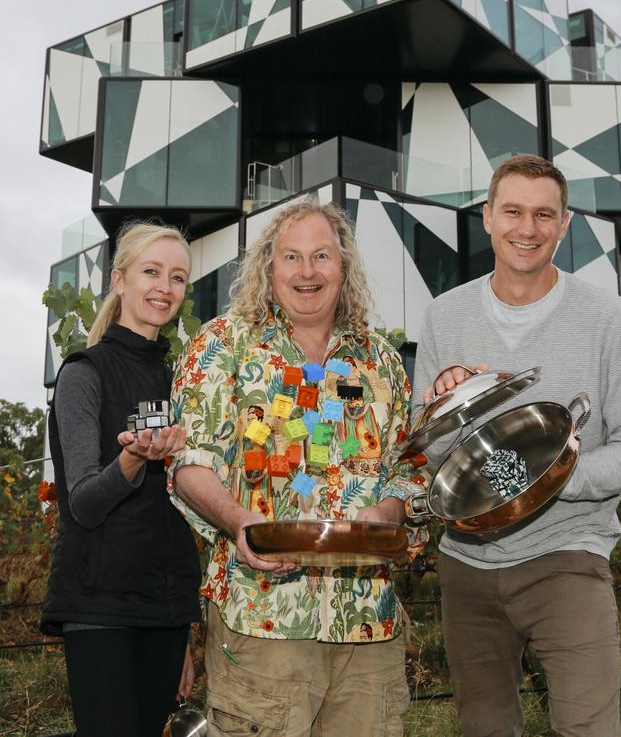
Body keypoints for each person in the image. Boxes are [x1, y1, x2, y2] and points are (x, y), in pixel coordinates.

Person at [168, 196, 428, 737]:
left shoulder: (380, 359)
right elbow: (189, 463)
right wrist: (242, 523)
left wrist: (389, 508)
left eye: (322, 257)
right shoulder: (221, 347)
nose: (307, 272)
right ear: (268, 267)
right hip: (260, 615)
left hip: (367, 620)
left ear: (344, 266)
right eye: (291, 257)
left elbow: (411, 463)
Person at [412, 154, 621, 737]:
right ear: (488, 217)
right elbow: (430, 455)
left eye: (544, 214)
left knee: (589, 729)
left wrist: (554, 475)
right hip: (467, 565)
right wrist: (443, 410)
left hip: (568, 558)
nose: (528, 228)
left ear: (564, 224)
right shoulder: (446, 315)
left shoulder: (609, 318)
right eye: (513, 211)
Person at [41, 221, 201, 737]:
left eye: (177, 277)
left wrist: (182, 625)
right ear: (119, 280)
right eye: (151, 272)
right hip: (100, 605)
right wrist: (132, 461)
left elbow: (180, 511)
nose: (164, 288)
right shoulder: (83, 373)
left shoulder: (183, 380)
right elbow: (83, 503)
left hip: (165, 611)